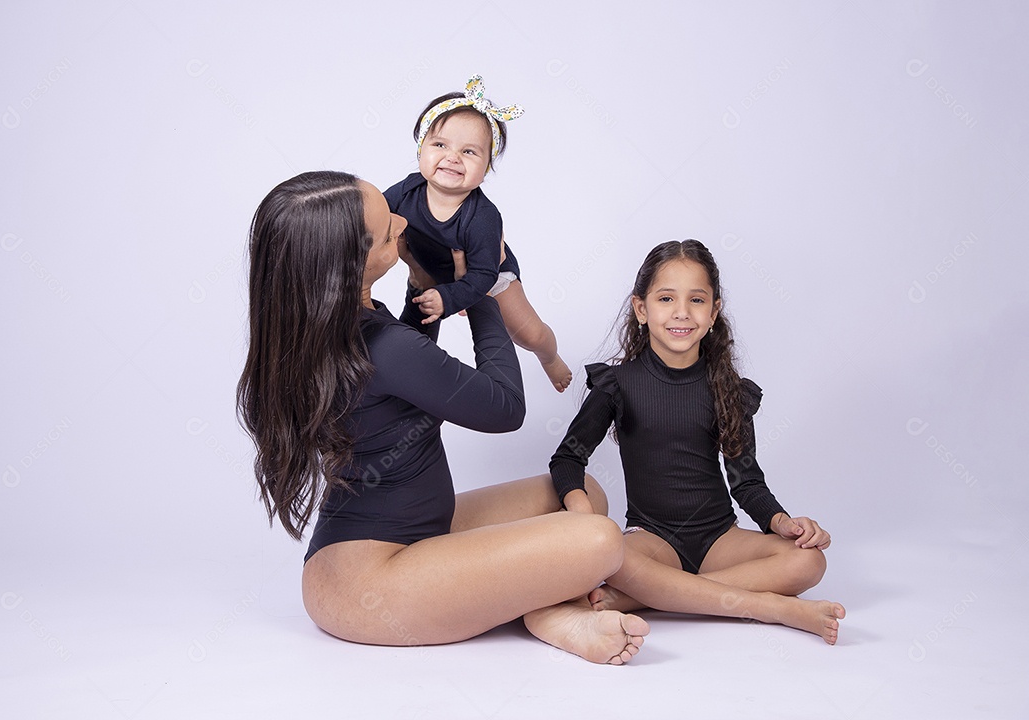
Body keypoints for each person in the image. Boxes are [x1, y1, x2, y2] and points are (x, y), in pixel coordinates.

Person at [236, 170, 648, 663]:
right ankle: (549, 613)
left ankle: (535, 606)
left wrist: (427, 290)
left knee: (583, 494)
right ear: (353, 265)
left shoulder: (326, 326)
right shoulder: (381, 347)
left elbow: (408, 375)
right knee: (599, 539)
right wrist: (484, 289)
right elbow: (504, 407)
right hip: (369, 582)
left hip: (413, 534)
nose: (403, 218)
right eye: (388, 228)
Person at [550, 240, 846, 644]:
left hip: (719, 539)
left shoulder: (729, 389)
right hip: (652, 540)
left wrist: (783, 523)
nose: (681, 313)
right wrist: (584, 516)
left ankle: (652, 595)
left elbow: (747, 483)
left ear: (714, 313)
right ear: (641, 309)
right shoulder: (617, 384)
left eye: (697, 300)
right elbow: (567, 459)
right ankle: (772, 607)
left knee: (809, 561)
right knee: (613, 558)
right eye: (666, 298)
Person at [384, 74, 572, 392]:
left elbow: (483, 275)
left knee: (528, 333)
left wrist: (451, 296)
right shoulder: (408, 189)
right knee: (414, 326)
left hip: (488, 274)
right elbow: (376, 215)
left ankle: (549, 355)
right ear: (421, 152)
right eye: (440, 144)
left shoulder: (483, 217)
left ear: (486, 168)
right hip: (432, 269)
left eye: (469, 152)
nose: (453, 157)